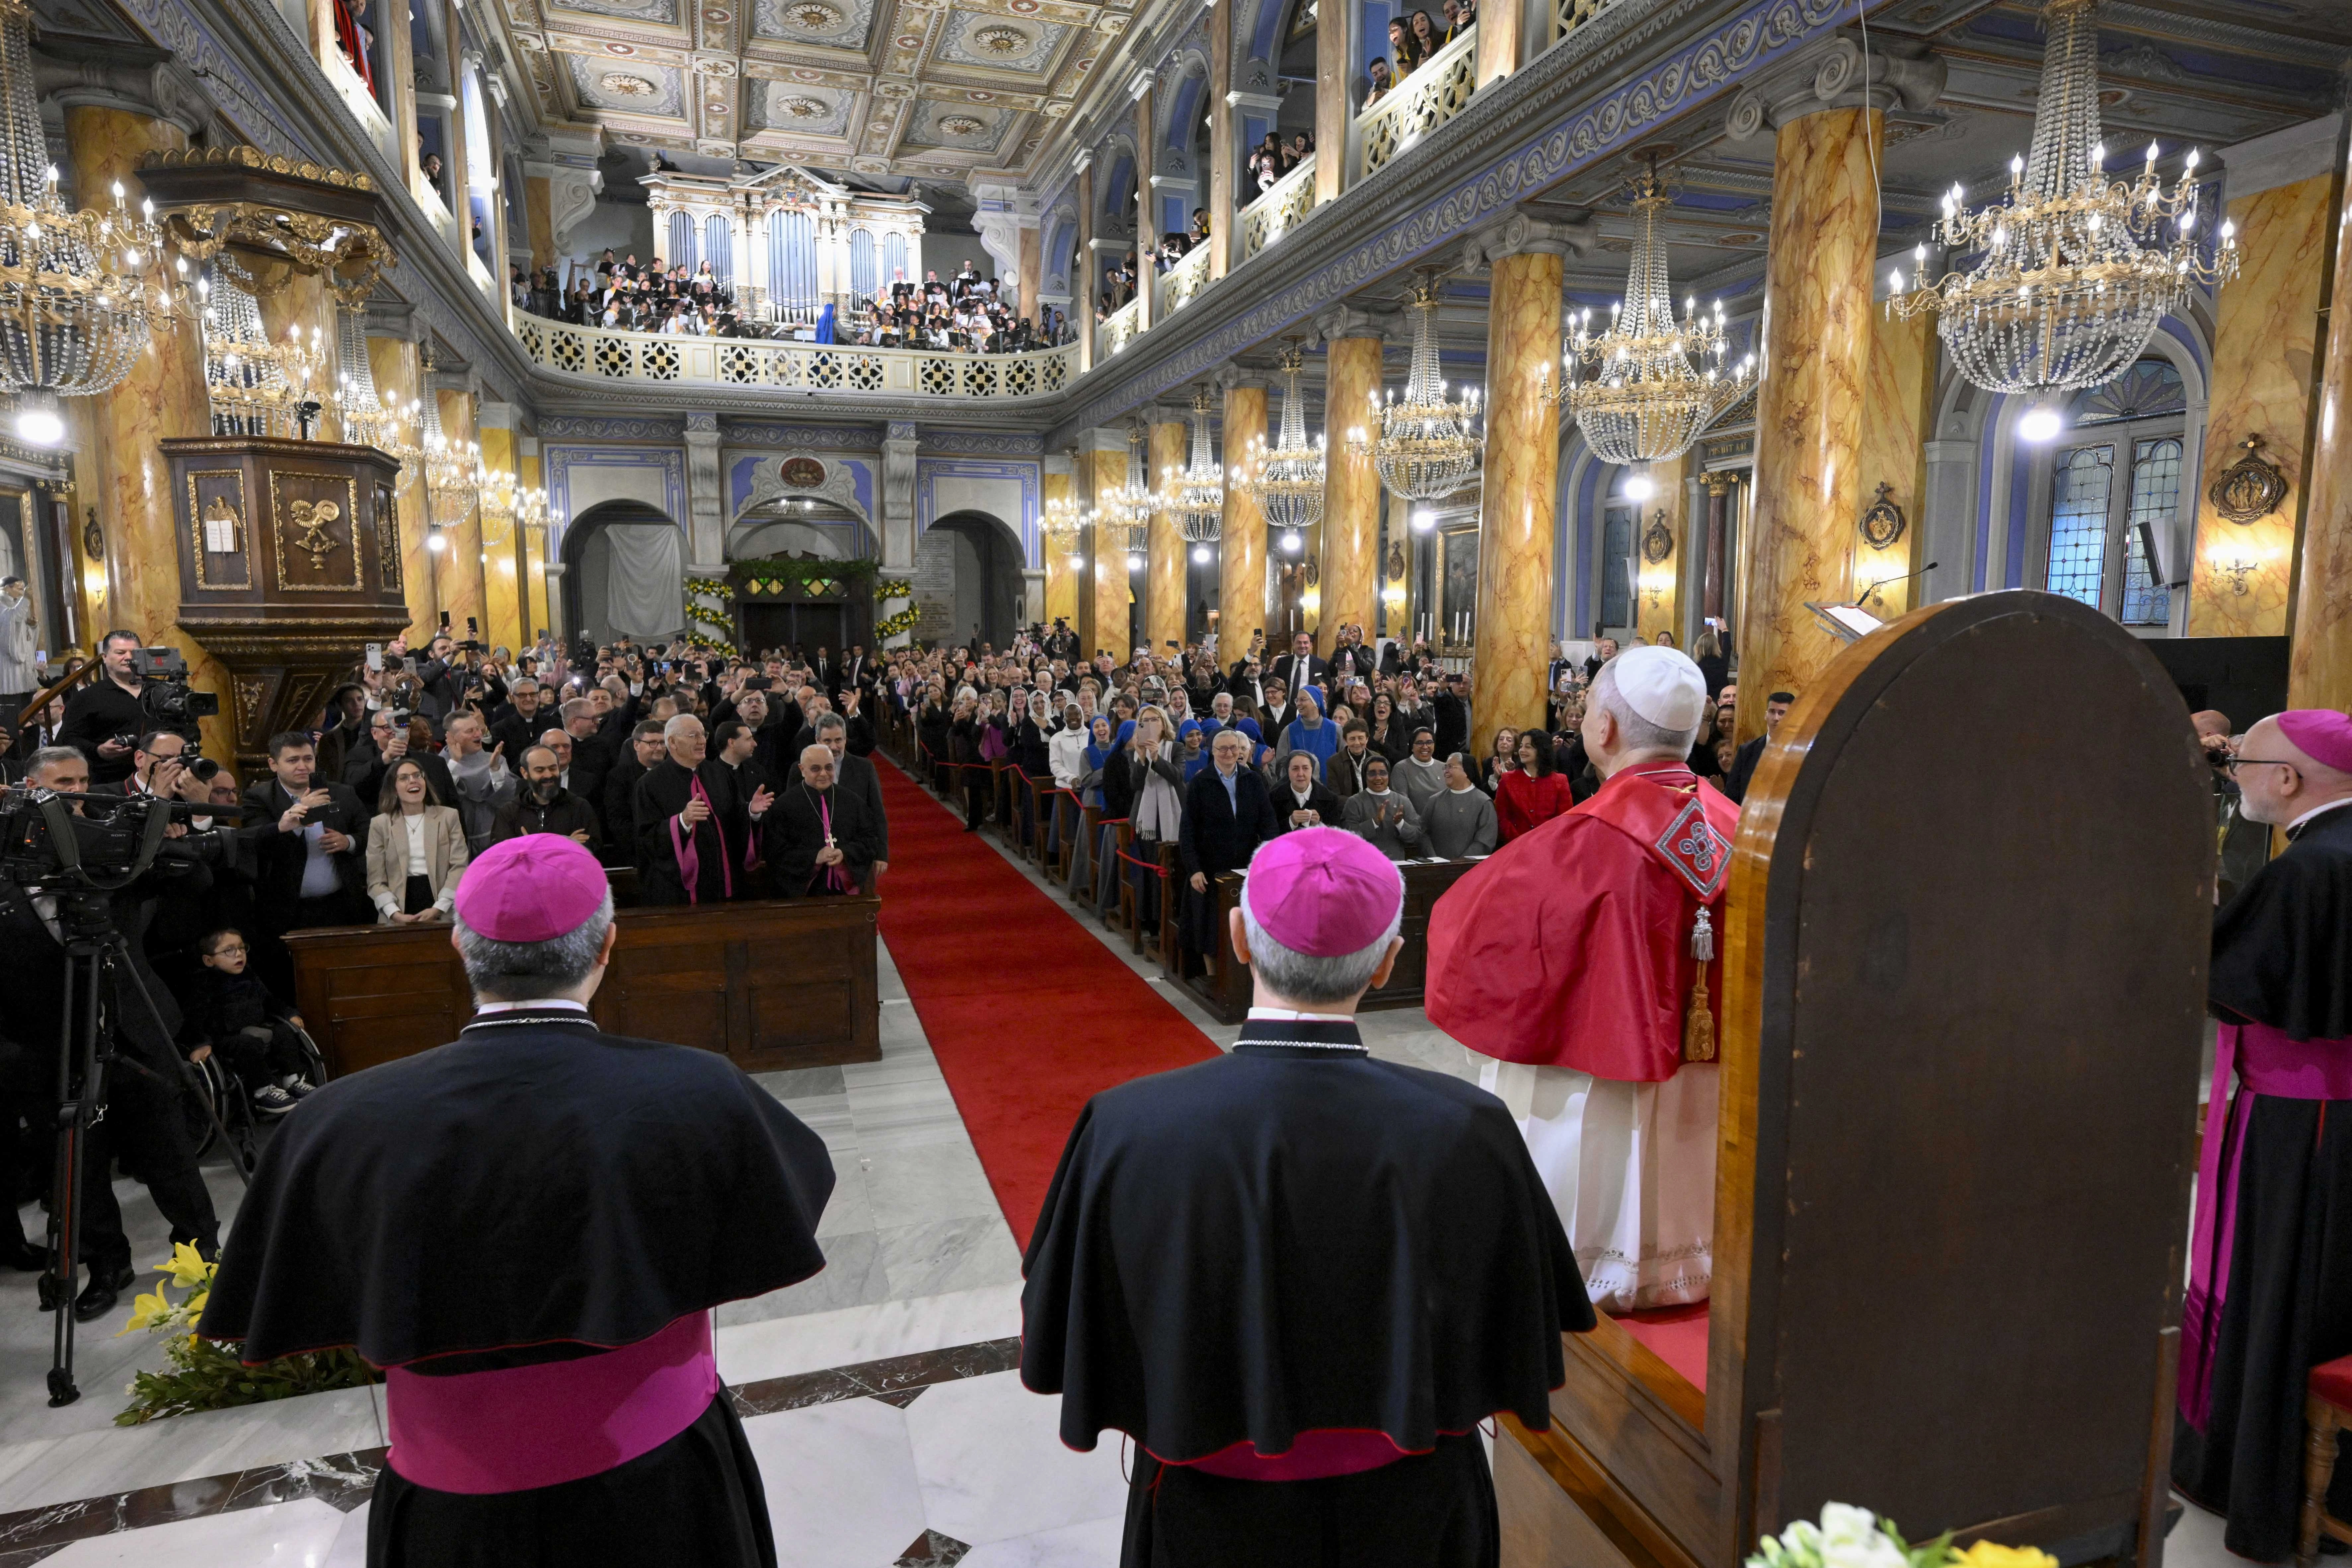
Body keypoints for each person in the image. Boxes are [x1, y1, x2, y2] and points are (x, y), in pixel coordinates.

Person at [200, 835, 836, 1568]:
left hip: (454, 1515)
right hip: (661, 1492)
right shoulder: (698, 1090)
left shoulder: (332, 1124)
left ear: (461, 949)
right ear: (608, 946)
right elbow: (784, 1207)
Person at [1021, 827, 1592, 1565]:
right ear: (1390, 961)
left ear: (1239, 938)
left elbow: (1061, 1325)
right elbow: (1522, 1321)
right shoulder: (1468, 1127)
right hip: (1415, 1509)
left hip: (1213, 1518)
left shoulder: (1127, 1127)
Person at [1425, 645, 1736, 1312]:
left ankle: (1595, 1265)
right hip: (1714, 1078)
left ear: (1606, 731)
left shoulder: (1574, 844)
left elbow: (1468, 926)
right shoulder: (1744, 828)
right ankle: (1694, 1256)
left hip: (1597, 1078)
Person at [2174, 709, 2352, 1560]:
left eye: (2245, 761)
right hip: (2338, 1125)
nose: (2235, 772)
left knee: (2280, 1286)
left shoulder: (2311, 869)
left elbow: (2230, 982)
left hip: (2299, 1123)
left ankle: (2252, 1480)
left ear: (2289, 780)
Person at [635, 715, 769, 905]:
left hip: (725, 885)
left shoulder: (719, 773)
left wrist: (751, 811)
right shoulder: (650, 784)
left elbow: (734, 819)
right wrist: (682, 821)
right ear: (672, 742)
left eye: (703, 735)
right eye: (693, 735)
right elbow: (646, 838)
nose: (702, 741)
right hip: (678, 893)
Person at [181, 928, 315, 1116]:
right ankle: (264, 1092)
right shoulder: (204, 986)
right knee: (247, 1044)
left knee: (284, 1032)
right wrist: (201, 1043)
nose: (238, 954)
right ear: (209, 961)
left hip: (255, 1028)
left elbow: (269, 1001)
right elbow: (194, 1019)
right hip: (225, 1038)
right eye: (229, 950)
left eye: (242, 948)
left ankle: (293, 1081)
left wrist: (288, 1014)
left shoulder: (249, 978)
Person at [1178, 729, 1279, 959]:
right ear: (1212, 752)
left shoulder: (1252, 780)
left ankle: (1242, 980)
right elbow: (1187, 831)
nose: (1229, 753)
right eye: (1222, 748)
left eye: (1234, 748)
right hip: (1210, 867)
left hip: (1245, 864)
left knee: (1248, 926)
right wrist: (1194, 869)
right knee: (1212, 928)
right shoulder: (1199, 784)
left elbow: (1268, 823)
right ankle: (1215, 979)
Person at [765, 743, 877, 898]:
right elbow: (775, 852)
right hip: (804, 895)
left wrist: (844, 853)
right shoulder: (783, 807)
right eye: (816, 769)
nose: (824, 774)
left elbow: (869, 840)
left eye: (829, 768)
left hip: (846, 892)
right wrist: (814, 858)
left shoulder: (853, 802)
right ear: (802, 770)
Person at [366, 757, 469, 922]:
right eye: (404, 778)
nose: (413, 781)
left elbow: (459, 866)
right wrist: (394, 914)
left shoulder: (448, 817)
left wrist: (439, 908)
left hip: (443, 907)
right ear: (394, 788)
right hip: (398, 909)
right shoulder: (380, 825)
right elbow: (376, 880)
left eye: (417, 776)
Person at [60, 629, 153, 786]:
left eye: (134, 652)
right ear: (105, 657)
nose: (129, 658)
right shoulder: (88, 697)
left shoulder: (160, 690)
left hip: (161, 777)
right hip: (111, 781)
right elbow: (69, 739)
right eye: (120, 652)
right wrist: (98, 750)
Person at [494, 743, 601, 844]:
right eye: (540, 770)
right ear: (525, 773)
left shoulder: (580, 808)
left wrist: (528, 846)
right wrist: (566, 843)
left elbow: (590, 850)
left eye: (553, 768)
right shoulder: (509, 813)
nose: (548, 775)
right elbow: (503, 854)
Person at [1495, 729, 1573, 843]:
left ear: (1542, 751)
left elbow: (1564, 819)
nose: (1522, 751)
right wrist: (1520, 842)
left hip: (1549, 845)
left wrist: (1545, 842)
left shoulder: (1560, 781)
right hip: (1514, 845)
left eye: (1528, 747)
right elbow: (1503, 819)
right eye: (1521, 746)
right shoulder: (1507, 780)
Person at [1340, 754, 1422, 860]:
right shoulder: (1354, 802)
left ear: (1389, 775)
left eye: (1383, 773)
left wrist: (1400, 824)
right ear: (1365, 777)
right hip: (1363, 865)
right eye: (1372, 774)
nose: (1378, 778)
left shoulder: (1403, 801)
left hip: (1396, 866)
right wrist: (1375, 822)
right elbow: (1348, 837)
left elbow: (1416, 837)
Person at [1422, 754, 1497, 859]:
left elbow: (1485, 842)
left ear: (1466, 771)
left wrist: (1458, 864)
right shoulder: (1434, 800)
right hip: (1435, 869)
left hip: (1468, 870)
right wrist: (1434, 859)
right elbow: (1423, 834)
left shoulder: (1484, 803)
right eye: (1445, 767)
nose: (1446, 771)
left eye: (1451, 767)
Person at [1723, 690, 1792, 804]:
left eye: (1782, 713)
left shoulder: (1804, 753)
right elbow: (1732, 795)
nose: (1776, 718)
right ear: (1766, 715)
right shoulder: (1747, 751)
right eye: (1772, 712)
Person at [1272, 750, 1341, 832]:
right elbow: (1270, 833)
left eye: (1306, 768)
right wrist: (1291, 822)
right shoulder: (1274, 797)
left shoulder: (1330, 799)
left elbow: (1335, 835)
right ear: (1288, 771)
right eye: (1295, 769)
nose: (1301, 774)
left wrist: (1319, 825)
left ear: (1312, 770)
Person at [0, 576, 37, 727]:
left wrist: (32, 626)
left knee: (29, 712)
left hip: (23, 665)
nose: (22, 592)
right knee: (13, 718)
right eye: (19, 588)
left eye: (23, 589)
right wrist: (27, 599)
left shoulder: (16, 603)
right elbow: (10, 619)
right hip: (8, 662)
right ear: (6, 588)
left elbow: (21, 632)